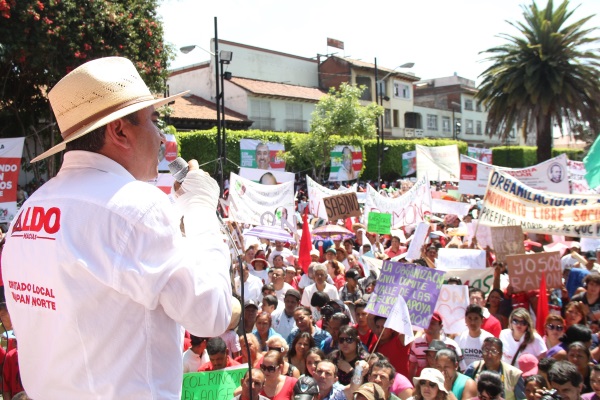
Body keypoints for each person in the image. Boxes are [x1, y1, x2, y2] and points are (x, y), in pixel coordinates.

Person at [1, 57, 232, 399]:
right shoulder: (136, 205)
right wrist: (200, 211)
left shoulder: (29, 209)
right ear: (120, 131)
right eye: (154, 121)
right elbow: (212, 314)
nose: (161, 136)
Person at [408, 312, 464, 378]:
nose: (428, 326)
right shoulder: (416, 343)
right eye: (426, 322)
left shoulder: (452, 345)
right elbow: (412, 368)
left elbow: (462, 369)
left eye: (432, 323)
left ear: (441, 326)